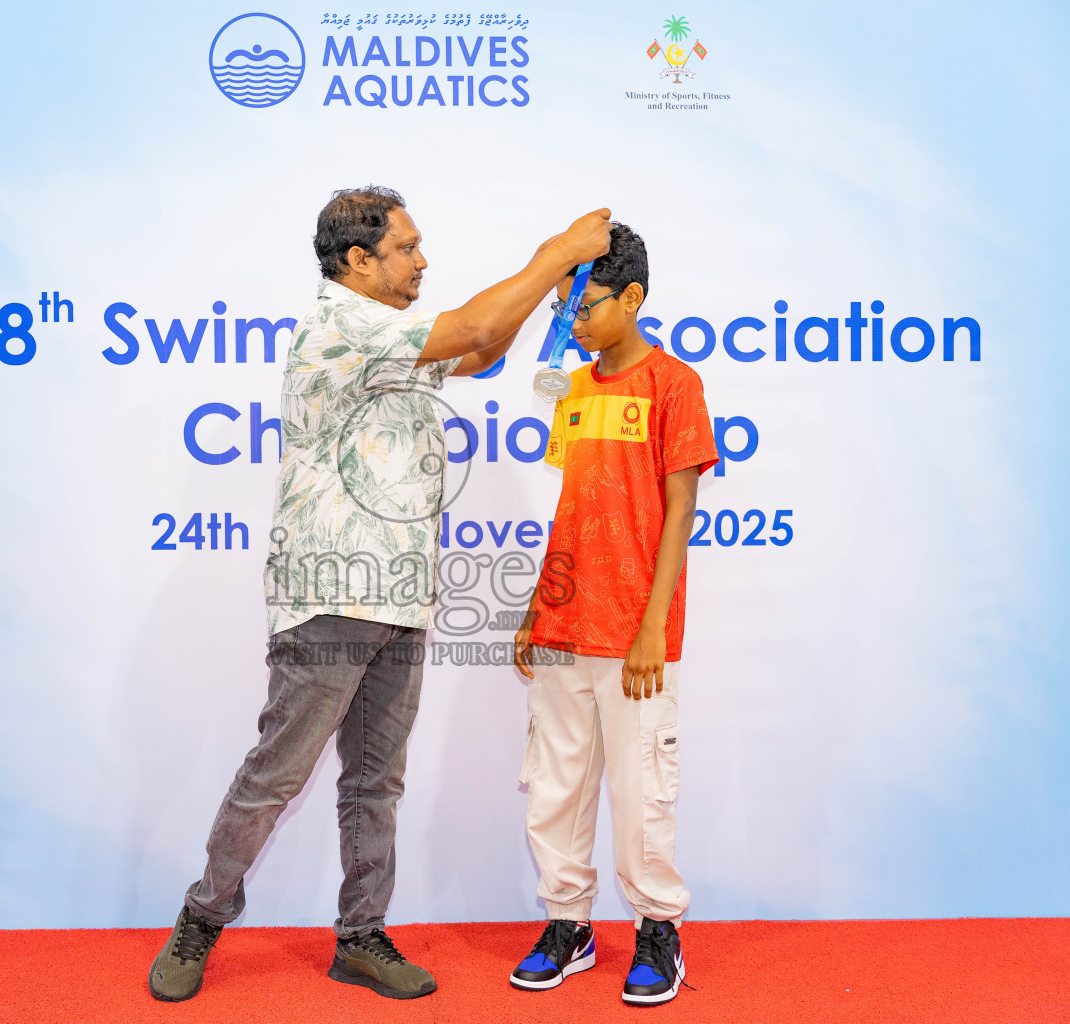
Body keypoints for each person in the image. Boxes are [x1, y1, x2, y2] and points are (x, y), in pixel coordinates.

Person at [148, 188, 611, 1003]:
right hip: (329, 596)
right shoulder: (340, 324)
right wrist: (559, 253)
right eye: (406, 247)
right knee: (276, 777)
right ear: (357, 262)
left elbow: (486, 348)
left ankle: (361, 937)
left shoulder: (392, 337)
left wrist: (549, 280)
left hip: (401, 593)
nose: (422, 259)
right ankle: (201, 918)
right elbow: (472, 329)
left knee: (375, 782)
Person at [509, 224, 717, 1006]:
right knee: (556, 787)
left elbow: (679, 512)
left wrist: (650, 629)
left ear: (632, 299)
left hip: (634, 635)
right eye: (565, 310)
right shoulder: (574, 389)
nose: (574, 323)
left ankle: (657, 931)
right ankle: (569, 924)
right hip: (564, 624)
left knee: (641, 795)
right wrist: (536, 606)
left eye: (586, 306)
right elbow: (571, 507)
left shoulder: (674, 385)